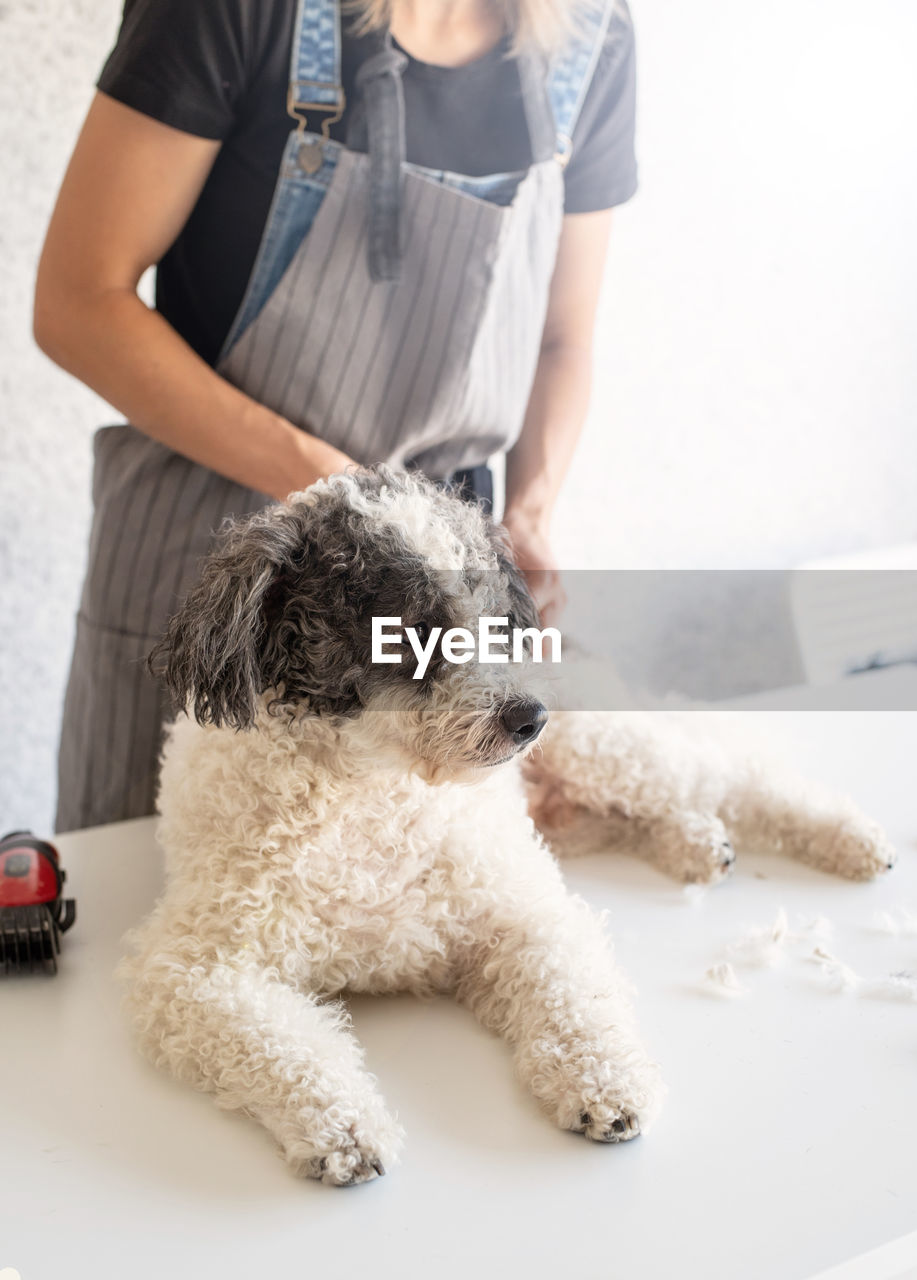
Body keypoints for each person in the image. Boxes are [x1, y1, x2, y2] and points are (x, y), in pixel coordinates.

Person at [34, 0, 638, 832]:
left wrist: (528, 513)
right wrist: (354, 506)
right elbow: (78, 303)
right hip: (209, 565)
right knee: (156, 908)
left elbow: (562, 338)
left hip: (434, 603)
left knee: (408, 909)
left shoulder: (587, 34)